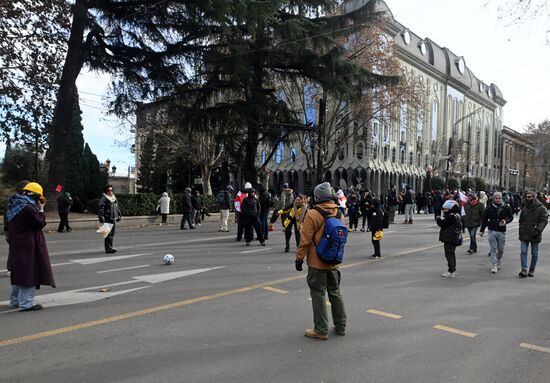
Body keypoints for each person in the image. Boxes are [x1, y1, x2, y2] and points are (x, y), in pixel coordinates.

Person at [295, 182, 346, 340]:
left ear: (317, 197)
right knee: (335, 293)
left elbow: (305, 240)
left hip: (317, 263)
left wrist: (299, 258)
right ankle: (341, 325)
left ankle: (321, 329)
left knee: (318, 294)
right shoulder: (339, 213)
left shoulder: (312, 214)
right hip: (333, 262)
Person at [7, 181, 55, 310]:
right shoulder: (28, 208)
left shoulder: (14, 205)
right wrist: (41, 209)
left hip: (17, 243)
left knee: (18, 271)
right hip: (29, 244)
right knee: (29, 271)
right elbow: (40, 223)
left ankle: (15, 300)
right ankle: (26, 303)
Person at [480, 191, 514, 274]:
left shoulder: (506, 207)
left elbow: (511, 217)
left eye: (499, 198)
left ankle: (498, 260)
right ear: (493, 199)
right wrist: (482, 230)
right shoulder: (489, 207)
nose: (498, 200)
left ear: (501, 198)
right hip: (492, 230)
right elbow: (484, 219)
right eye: (496, 198)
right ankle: (494, 265)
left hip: (502, 231)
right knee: (493, 248)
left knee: (501, 249)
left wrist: (506, 221)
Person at [517, 191, 548, 278]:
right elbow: (521, 221)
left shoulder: (541, 208)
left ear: (534, 197)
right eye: (527, 197)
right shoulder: (525, 208)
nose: (528, 198)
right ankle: (524, 269)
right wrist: (521, 231)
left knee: (534, 253)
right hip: (524, 234)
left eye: (530, 197)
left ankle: (532, 269)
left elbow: (544, 220)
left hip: (535, 233)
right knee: (523, 252)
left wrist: (538, 230)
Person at [3, 180, 30, 278]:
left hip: (12, 228)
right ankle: (11, 268)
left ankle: (15, 268)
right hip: (14, 229)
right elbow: (8, 215)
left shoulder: (15, 199)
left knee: (16, 249)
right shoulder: (16, 199)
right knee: (14, 249)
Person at [436, 199, 462, 278]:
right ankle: (453, 270)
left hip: (449, 237)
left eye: (445, 208)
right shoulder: (457, 215)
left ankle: (451, 271)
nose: (444, 210)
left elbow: (442, 224)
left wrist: (438, 219)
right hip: (454, 237)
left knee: (449, 254)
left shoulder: (450, 216)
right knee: (452, 254)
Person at [98, 185, 122, 253]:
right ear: (106, 191)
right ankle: (108, 249)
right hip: (107, 218)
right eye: (109, 190)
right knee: (108, 234)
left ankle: (110, 248)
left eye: (111, 190)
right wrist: (101, 218)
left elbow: (117, 207)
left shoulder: (113, 197)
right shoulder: (104, 198)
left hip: (113, 217)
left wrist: (119, 215)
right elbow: (100, 208)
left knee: (112, 234)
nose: (110, 192)